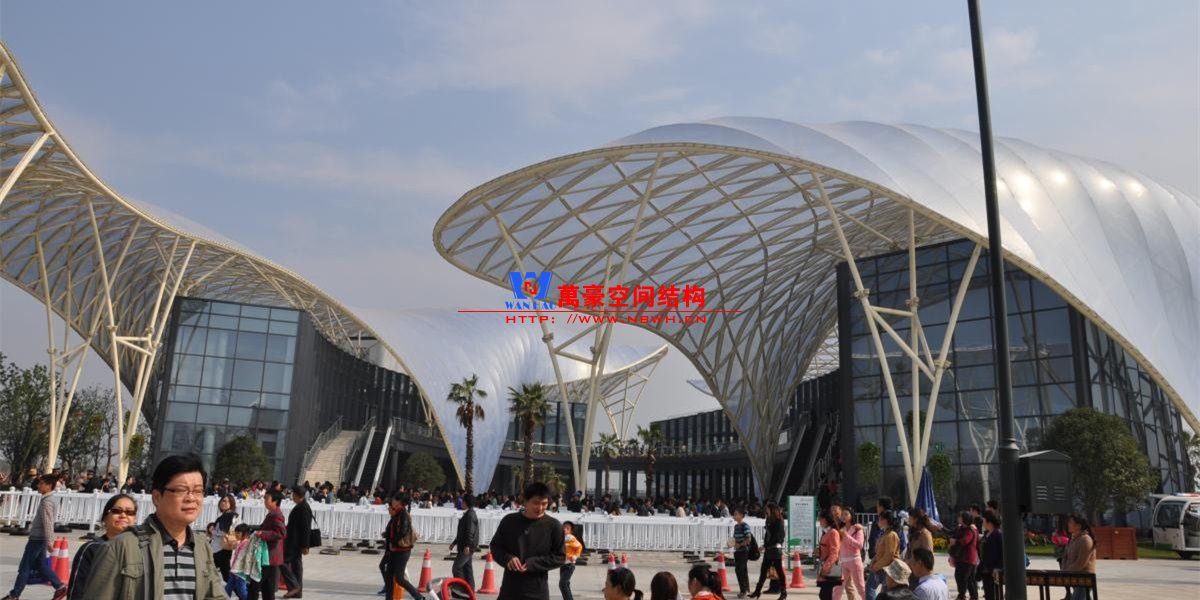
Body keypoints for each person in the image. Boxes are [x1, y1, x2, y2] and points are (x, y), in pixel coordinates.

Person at [82, 454, 226, 599]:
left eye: (198, 491)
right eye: (181, 490)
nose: (191, 498)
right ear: (157, 497)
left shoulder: (202, 547)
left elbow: (216, 595)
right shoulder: (121, 547)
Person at [489, 481, 565, 600]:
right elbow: (495, 546)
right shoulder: (509, 521)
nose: (540, 508)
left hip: (537, 591)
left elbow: (560, 556)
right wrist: (508, 558)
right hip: (509, 591)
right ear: (525, 501)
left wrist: (533, 563)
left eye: (544, 504)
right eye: (536, 503)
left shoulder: (554, 526)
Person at [3, 474, 68, 600]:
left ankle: (14, 595)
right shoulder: (49, 499)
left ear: (49, 486)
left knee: (25, 567)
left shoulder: (47, 502)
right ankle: (60, 587)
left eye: (41, 483)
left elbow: (48, 523)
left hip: (38, 539)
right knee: (41, 565)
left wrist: (50, 541)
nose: (38, 486)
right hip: (40, 538)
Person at [68, 493, 137, 599]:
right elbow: (76, 590)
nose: (123, 515)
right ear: (105, 517)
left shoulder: (140, 549)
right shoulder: (91, 549)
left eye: (129, 512)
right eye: (116, 511)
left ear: (135, 519)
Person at [384, 494, 424, 600]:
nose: (392, 501)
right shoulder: (397, 513)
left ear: (400, 502)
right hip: (394, 550)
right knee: (389, 576)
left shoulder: (403, 515)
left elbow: (402, 532)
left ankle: (418, 596)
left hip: (402, 551)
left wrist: (393, 542)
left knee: (399, 578)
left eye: (395, 499)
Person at [249, 489, 287, 600]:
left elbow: (281, 533)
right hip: (269, 556)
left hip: (270, 555)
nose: (264, 500)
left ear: (275, 501)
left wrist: (263, 534)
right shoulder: (272, 514)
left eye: (267, 498)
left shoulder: (276, 515)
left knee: (255, 585)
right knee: (267, 588)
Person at [749, 501, 786, 599]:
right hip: (769, 550)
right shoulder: (768, 520)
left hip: (775, 550)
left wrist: (765, 545)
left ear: (772, 510)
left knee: (779, 572)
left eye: (768, 509)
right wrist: (765, 545)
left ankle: (783, 592)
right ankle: (757, 591)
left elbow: (778, 536)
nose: (766, 511)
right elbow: (767, 535)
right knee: (763, 571)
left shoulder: (779, 521)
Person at [281, 486, 312, 598]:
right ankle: (297, 592)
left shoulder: (303, 508)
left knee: (282, 562)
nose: (292, 496)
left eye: (293, 494)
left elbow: (306, 528)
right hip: (294, 541)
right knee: (296, 567)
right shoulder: (300, 506)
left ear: (299, 496)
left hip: (295, 543)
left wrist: (305, 545)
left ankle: (294, 586)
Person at [1061, 515, 1095, 600]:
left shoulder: (1085, 539)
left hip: (1084, 579)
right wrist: (1063, 570)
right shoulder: (1072, 539)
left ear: (1079, 526)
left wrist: (1067, 571)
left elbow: (1081, 562)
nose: (1068, 524)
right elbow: (1065, 557)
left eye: (1071, 522)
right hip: (1074, 578)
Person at [452, 493, 481, 594]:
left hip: (467, 547)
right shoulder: (468, 514)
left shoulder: (470, 515)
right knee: (467, 569)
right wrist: (454, 543)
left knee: (457, 567)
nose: (461, 503)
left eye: (463, 501)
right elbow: (462, 531)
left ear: (466, 502)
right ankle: (470, 592)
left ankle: (462, 589)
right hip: (466, 545)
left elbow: (470, 532)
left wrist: (468, 545)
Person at [867, 511, 900, 599]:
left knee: (883, 593)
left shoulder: (891, 535)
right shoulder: (885, 533)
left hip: (887, 569)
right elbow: (879, 552)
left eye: (879, 519)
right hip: (880, 568)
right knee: (872, 588)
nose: (878, 521)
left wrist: (875, 567)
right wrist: (873, 562)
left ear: (885, 521)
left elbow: (889, 556)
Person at [836, 507, 866, 600]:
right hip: (843, 562)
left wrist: (846, 536)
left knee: (861, 588)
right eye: (842, 514)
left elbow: (860, 545)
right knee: (837, 588)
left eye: (846, 514)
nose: (843, 516)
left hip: (854, 560)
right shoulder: (841, 529)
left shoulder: (857, 529)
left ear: (851, 515)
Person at [948, 512, 978, 600]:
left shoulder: (970, 530)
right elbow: (953, 533)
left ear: (965, 519)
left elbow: (965, 541)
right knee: (964, 577)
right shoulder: (962, 528)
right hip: (961, 558)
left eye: (960, 517)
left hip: (968, 559)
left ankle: (963, 596)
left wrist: (955, 541)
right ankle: (971, 596)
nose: (959, 518)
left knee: (964, 578)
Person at [212, 494, 240, 583]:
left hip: (224, 548)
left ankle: (240, 590)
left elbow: (226, 531)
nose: (223, 503)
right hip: (218, 548)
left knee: (226, 575)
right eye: (222, 501)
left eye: (226, 501)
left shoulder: (230, 516)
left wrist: (213, 531)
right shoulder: (223, 516)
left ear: (231, 504)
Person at [816, 510, 842, 600]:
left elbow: (834, 552)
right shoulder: (826, 532)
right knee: (824, 595)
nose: (819, 521)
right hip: (825, 567)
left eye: (820, 519)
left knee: (825, 595)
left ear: (825, 519)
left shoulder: (833, 532)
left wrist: (826, 567)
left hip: (829, 569)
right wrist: (819, 551)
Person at [904, 509, 934, 587]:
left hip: (920, 572)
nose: (908, 519)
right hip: (911, 570)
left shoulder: (925, 534)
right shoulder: (914, 532)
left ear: (916, 519)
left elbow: (928, 556)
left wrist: (910, 562)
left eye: (910, 517)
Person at [977, 513, 1003, 600]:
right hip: (985, 568)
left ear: (990, 523)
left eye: (984, 521)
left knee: (994, 593)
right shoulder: (986, 534)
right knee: (988, 593)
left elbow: (1002, 553)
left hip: (994, 569)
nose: (983, 523)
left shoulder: (998, 534)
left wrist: (998, 567)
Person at [226, 524, 254, 600]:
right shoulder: (240, 543)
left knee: (242, 592)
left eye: (238, 533)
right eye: (235, 533)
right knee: (228, 589)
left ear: (245, 534)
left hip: (240, 572)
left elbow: (245, 560)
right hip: (235, 571)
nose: (236, 535)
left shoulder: (246, 544)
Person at [559, 521, 583, 600]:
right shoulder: (561, 537)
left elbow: (579, 547)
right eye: (564, 527)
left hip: (569, 564)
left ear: (571, 531)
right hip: (563, 564)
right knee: (566, 583)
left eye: (567, 528)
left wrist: (575, 556)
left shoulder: (570, 538)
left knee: (562, 583)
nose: (564, 529)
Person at [732, 507, 753, 598]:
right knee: (742, 570)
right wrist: (732, 543)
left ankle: (744, 590)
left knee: (739, 570)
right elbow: (734, 538)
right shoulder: (736, 526)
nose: (734, 516)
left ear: (741, 515)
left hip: (743, 551)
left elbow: (748, 539)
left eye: (736, 514)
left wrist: (740, 544)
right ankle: (745, 590)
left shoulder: (745, 526)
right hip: (737, 551)